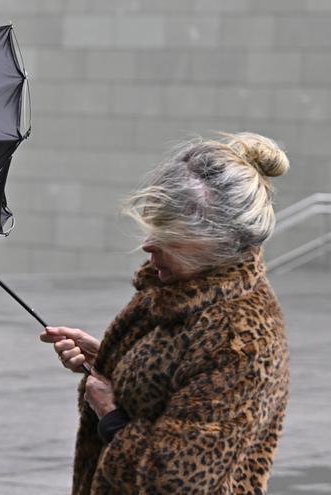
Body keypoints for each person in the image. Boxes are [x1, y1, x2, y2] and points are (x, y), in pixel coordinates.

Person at [41, 132, 290, 494]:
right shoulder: (174, 291)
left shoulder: (238, 338)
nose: (147, 243)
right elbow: (170, 380)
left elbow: (177, 480)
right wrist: (110, 359)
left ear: (213, 242)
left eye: (167, 233)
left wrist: (109, 414)